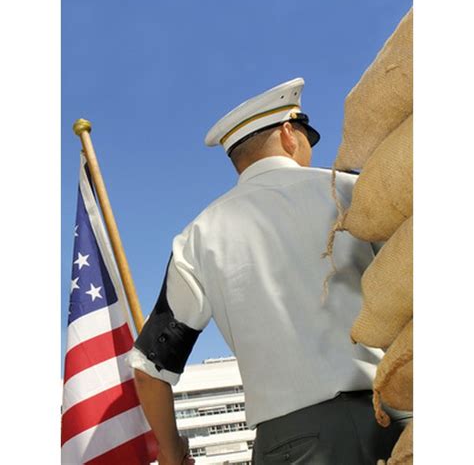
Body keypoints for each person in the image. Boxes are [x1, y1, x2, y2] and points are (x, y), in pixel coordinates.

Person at [128, 78, 410, 464]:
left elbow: (148, 368)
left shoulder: (198, 236)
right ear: (289, 134)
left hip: (288, 444)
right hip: (391, 418)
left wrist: (172, 451)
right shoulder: (351, 191)